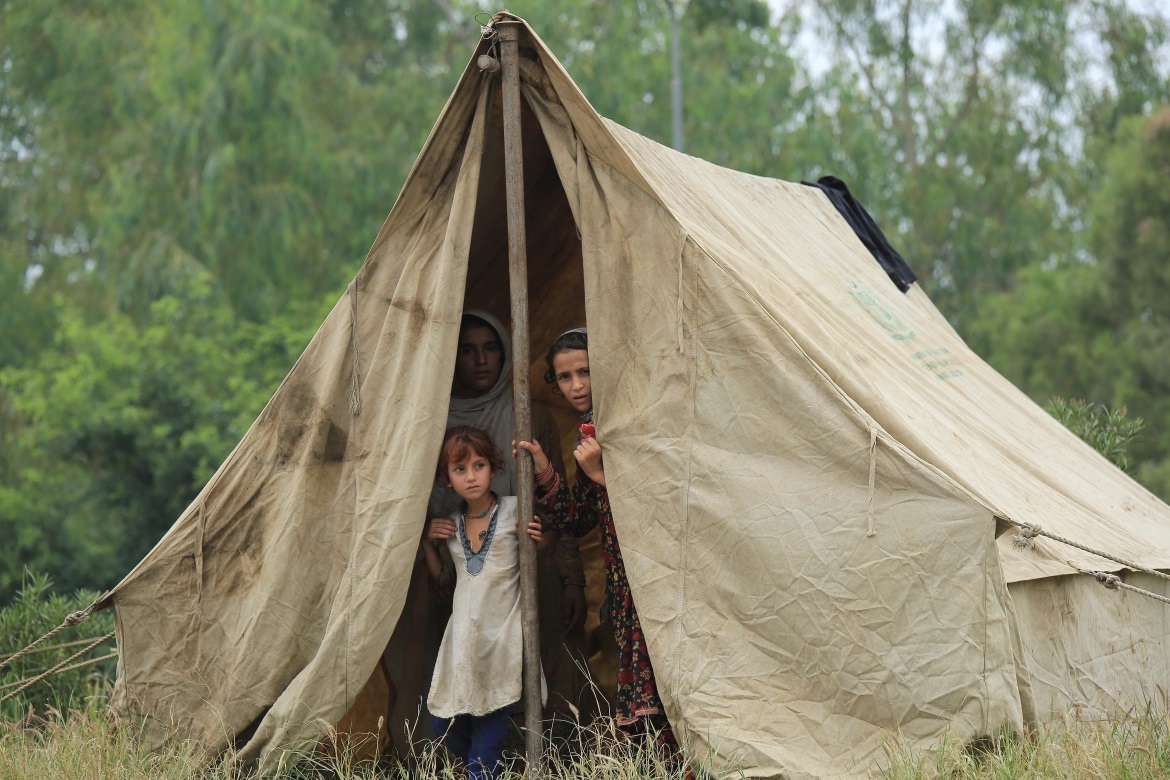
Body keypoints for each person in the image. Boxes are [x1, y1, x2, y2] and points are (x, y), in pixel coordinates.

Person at [516, 328, 681, 756]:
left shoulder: (633, 421)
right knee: (646, 685)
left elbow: (668, 497)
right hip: (625, 581)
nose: (576, 385)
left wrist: (600, 474)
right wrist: (544, 467)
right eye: (565, 377)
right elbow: (581, 518)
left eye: (585, 372)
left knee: (673, 675)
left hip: (662, 572)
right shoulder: (588, 432)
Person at [427, 310, 590, 721]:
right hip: (461, 573)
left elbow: (556, 501)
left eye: (490, 348)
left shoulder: (529, 416)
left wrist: (572, 578)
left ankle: (551, 750)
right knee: (468, 681)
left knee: (543, 665)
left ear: (504, 353)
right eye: (468, 351)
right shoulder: (430, 422)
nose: (481, 360)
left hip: (532, 558)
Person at [423, 426, 546, 780]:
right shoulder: (451, 526)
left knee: (485, 738)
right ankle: (495, 770)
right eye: (459, 469)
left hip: (503, 638)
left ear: (494, 467)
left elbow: (541, 553)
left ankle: (486, 770)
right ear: (447, 479)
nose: (471, 476)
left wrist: (538, 538)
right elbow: (443, 581)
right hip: (464, 639)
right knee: (443, 722)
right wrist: (427, 543)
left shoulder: (516, 510)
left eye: (479, 465)